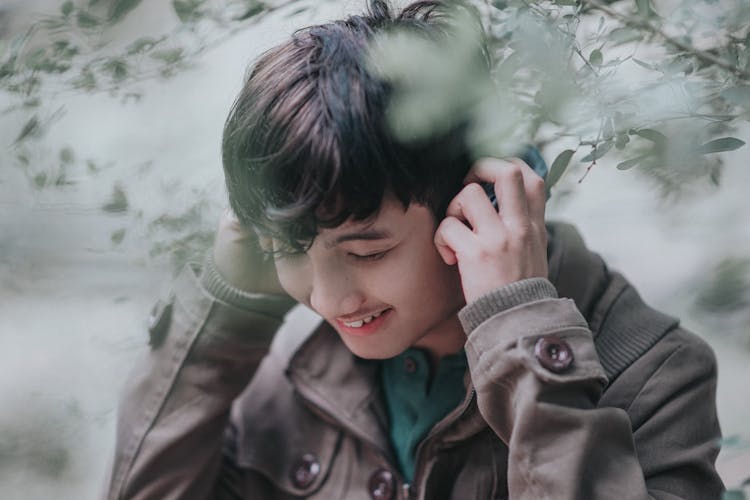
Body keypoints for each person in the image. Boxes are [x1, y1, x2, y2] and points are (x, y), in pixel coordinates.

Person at [103, 1, 724, 498]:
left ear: (477, 203)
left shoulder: (654, 376)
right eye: (285, 249)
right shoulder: (283, 374)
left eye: (368, 251)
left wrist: (524, 342)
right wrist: (223, 322)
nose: (328, 298)